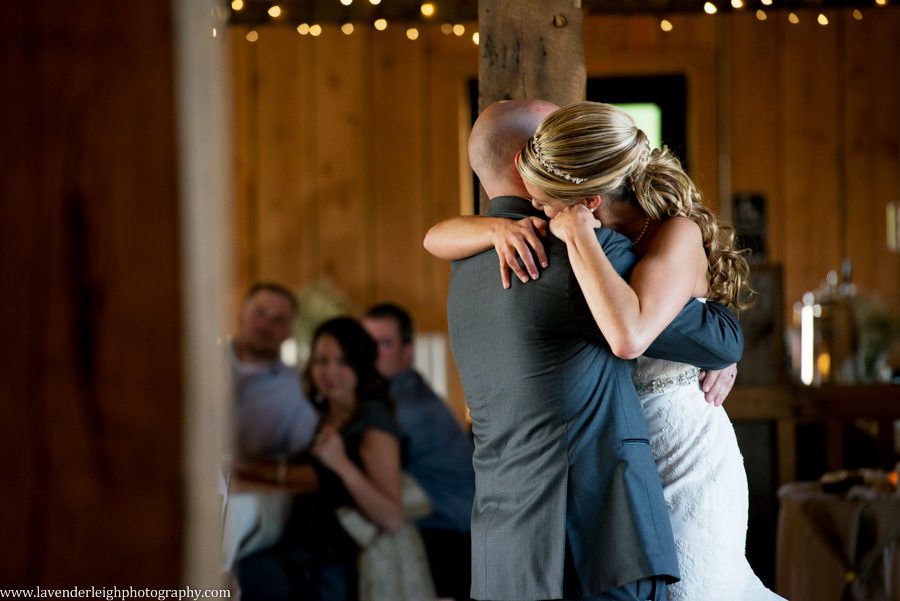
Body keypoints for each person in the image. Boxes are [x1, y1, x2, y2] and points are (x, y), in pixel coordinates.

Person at [432, 101, 783, 599]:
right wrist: (721, 345)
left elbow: (700, 335)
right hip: (604, 513)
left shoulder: (466, 268)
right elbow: (714, 337)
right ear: (525, 163)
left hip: (515, 533)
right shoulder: (576, 254)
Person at [304, 316, 432, 601]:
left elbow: (392, 517)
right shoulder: (329, 414)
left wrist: (341, 464)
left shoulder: (373, 420)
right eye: (321, 360)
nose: (330, 372)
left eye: (343, 361)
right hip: (323, 556)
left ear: (360, 365)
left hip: (355, 568)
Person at [363, 302, 476, 601]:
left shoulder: (410, 408)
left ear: (408, 352)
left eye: (384, 343)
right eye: (366, 343)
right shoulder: (393, 395)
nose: (371, 352)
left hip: (451, 538)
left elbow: (366, 469)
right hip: (438, 526)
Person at [229, 282, 319, 461]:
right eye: (259, 313)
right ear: (241, 316)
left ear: (289, 331)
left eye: (278, 320)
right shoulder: (200, 365)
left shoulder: (297, 390)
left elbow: (298, 457)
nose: (265, 325)